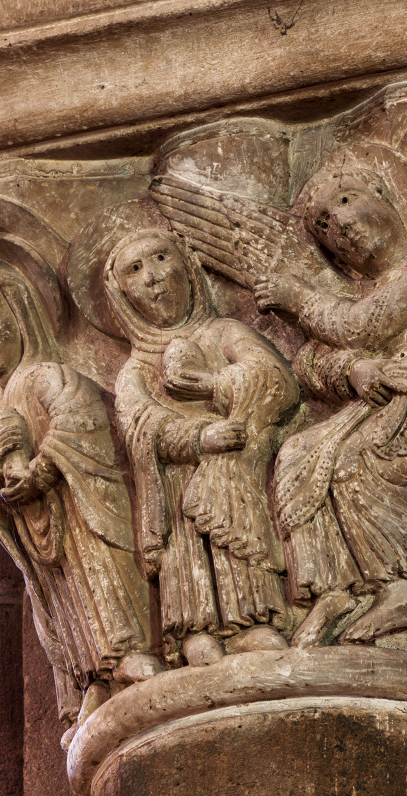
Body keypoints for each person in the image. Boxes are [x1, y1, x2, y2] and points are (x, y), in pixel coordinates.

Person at [253, 144, 407, 645]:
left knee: (355, 463)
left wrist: (299, 300)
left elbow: (362, 324)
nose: (339, 225)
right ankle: (330, 589)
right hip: (379, 403)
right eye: (323, 227)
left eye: (345, 201)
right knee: (295, 453)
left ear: (383, 193)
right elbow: (311, 362)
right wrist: (355, 369)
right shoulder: (364, 288)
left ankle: (398, 590)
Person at [0, 263, 157, 731]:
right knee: (66, 595)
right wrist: (0, 485)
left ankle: (131, 651)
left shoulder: (44, 375)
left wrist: (42, 470)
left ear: (21, 313)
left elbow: (81, 418)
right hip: (47, 530)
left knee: (100, 569)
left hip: (84, 508)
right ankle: (96, 676)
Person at [106, 229, 299, 662]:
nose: (152, 276)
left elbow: (278, 381)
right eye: (135, 270)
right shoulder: (135, 370)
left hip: (239, 465)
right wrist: (198, 437)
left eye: (159, 258)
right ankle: (193, 631)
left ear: (190, 268)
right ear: (122, 296)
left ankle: (254, 621)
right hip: (178, 477)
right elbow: (142, 425)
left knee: (237, 528)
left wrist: (213, 386)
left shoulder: (224, 331)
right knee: (186, 544)